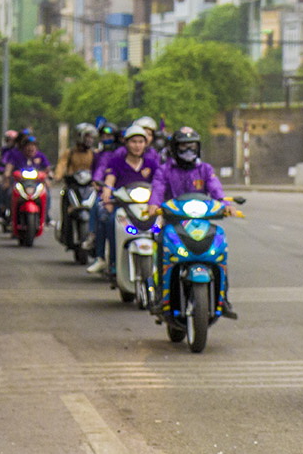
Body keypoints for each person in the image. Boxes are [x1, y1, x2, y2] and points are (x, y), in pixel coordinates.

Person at [148, 127, 238, 318]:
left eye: (192, 146)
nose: (188, 150)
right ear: (174, 148)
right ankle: (159, 296)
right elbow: (157, 189)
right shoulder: (164, 170)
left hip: (201, 223)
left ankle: (225, 298)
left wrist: (226, 204)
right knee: (159, 241)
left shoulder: (205, 169)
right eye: (183, 146)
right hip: (172, 223)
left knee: (220, 250)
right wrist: (153, 204)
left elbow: (216, 189)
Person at [91, 125, 160, 273]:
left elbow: (159, 184)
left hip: (146, 208)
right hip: (122, 206)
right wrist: (107, 194)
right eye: (133, 141)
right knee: (109, 221)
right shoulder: (116, 162)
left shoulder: (151, 164)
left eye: (141, 142)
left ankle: (162, 265)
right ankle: (110, 261)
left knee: (161, 227)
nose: (137, 145)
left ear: (146, 143)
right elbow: (109, 181)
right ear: (126, 143)